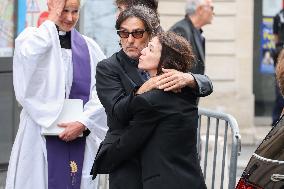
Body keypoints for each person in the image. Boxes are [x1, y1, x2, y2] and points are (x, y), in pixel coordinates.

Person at [92, 5, 212, 189]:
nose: (130, 40)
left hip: (163, 164)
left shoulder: (165, 62)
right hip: (128, 162)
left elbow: (205, 84)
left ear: (149, 34)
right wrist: (142, 89)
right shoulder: (108, 67)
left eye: (137, 33)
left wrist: (190, 78)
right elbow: (117, 112)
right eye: (124, 33)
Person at [5, 0, 107, 188]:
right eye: (63, 11)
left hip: (79, 134)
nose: (69, 17)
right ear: (51, 6)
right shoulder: (32, 40)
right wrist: (51, 19)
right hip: (38, 135)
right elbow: (27, 65)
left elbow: (102, 91)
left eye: (74, 11)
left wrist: (84, 121)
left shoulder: (90, 47)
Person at [170, 0, 214, 75]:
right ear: (200, 9)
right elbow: (175, 68)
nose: (213, 13)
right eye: (211, 8)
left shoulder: (196, 30)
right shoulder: (181, 30)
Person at [272, 8, 284, 125]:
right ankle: (276, 120)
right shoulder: (278, 16)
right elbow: (276, 38)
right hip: (281, 53)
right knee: (279, 89)